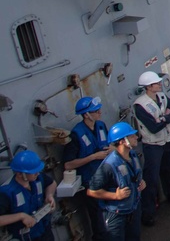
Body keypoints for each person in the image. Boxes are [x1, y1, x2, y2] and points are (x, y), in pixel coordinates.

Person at [132, 72, 170, 227]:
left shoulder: (162, 96)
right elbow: (153, 127)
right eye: (156, 83)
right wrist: (166, 117)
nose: (160, 84)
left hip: (168, 140)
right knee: (151, 178)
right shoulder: (140, 105)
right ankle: (148, 212)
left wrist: (163, 118)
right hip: (153, 145)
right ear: (149, 87)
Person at [86, 123, 145, 241]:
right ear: (123, 141)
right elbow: (91, 191)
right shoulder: (109, 164)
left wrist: (142, 182)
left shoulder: (132, 156)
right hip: (117, 215)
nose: (136, 137)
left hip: (133, 208)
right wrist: (115, 196)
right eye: (132, 136)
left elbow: (135, 174)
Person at [63, 96, 110, 241]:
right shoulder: (76, 135)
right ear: (86, 115)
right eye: (96, 111)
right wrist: (93, 157)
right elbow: (68, 164)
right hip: (91, 181)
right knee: (98, 217)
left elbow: (108, 144)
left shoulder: (101, 126)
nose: (100, 112)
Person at [0, 150, 56, 241]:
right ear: (19, 174)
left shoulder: (38, 178)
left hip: (45, 231)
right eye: (33, 172)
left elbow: (51, 183)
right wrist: (21, 216)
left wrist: (49, 196)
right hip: (27, 237)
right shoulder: (6, 192)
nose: (37, 174)